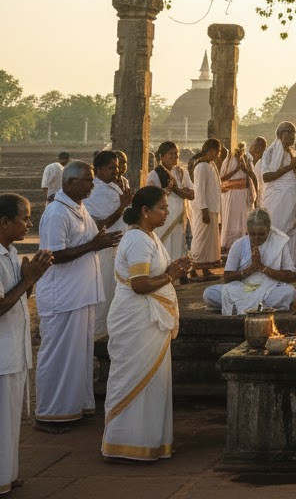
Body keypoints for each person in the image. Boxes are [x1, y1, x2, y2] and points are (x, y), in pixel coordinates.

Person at [102, 186, 190, 460]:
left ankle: (150, 442)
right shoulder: (138, 240)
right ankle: (125, 444)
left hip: (147, 319)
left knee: (153, 381)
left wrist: (172, 268)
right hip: (137, 317)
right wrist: (171, 275)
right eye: (162, 208)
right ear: (144, 211)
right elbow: (140, 285)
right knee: (135, 378)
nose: (167, 212)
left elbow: (151, 273)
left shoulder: (148, 236)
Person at [35, 161, 122, 430]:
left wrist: (102, 240)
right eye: (87, 180)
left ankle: (74, 407)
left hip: (80, 294)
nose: (92, 185)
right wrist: (94, 245)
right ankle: (50, 413)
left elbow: (90, 240)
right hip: (62, 296)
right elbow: (53, 255)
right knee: (59, 356)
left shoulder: (78, 208)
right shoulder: (56, 213)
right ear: (70, 183)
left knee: (78, 357)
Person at [0, 195, 54, 494]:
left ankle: (7, 473)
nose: (30, 224)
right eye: (25, 218)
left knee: (10, 419)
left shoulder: (9, 251)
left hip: (14, 348)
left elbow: (20, 297)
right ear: (4, 222)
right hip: (2, 351)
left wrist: (33, 279)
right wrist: (28, 279)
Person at [203, 208, 296, 313]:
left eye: (261, 234)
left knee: (289, 292)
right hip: (243, 287)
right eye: (253, 234)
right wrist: (251, 269)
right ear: (247, 230)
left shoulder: (279, 243)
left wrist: (262, 267)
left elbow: (290, 275)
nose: (257, 238)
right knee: (209, 293)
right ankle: (259, 307)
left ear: (269, 231)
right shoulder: (239, 244)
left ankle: (238, 306)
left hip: (269, 288)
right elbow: (227, 277)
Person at [83, 151, 130, 339]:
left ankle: (112, 328)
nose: (116, 171)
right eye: (112, 168)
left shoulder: (114, 186)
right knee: (104, 290)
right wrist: (122, 206)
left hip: (118, 246)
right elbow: (103, 224)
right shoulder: (94, 191)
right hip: (104, 249)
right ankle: (98, 332)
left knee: (116, 290)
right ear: (99, 169)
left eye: (117, 167)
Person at [260, 122, 296, 275]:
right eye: (288, 132)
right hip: (277, 197)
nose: (292, 136)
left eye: (294, 133)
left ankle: (291, 268)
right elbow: (266, 177)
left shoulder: (293, 152)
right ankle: (273, 267)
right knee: (277, 229)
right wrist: (291, 166)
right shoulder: (270, 152)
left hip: (293, 197)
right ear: (280, 134)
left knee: (293, 231)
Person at [146, 141, 194, 279]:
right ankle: (162, 276)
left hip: (179, 217)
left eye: (176, 154)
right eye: (171, 154)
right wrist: (173, 191)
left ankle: (178, 276)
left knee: (179, 245)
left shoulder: (181, 172)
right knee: (164, 244)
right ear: (162, 156)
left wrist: (177, 190)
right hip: (162, 218)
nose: (175, 156)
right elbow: (151, 198)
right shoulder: (155, 174)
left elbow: (192, 194)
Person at [190, 139, 222, 278]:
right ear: (211, 150)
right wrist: (204, 210)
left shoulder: (211, 165)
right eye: (218, 151)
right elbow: (199, 191)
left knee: (209, 242)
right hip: (205, 208)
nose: (218, 154)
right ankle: (194, 269)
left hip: (212, 207)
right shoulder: (201, 166)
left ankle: (205, 269)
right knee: (201, 239)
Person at [220, 141, 258, 251]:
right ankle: (229, 243)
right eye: (238, 150)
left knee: (243, 217)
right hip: (231, 194)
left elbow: (252, 175)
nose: (240, 152)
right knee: (231, 218)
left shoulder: (247, 160)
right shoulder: (227, 161)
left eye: (242, 150)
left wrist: (244, 169)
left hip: (244, 193)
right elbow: (222, 178)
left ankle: (243, 242)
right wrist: (236, 170)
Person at [248, 137, 267, 208]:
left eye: (261, 145)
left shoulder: (265, 162)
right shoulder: (246, 159)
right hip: (248, 194)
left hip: (261, 196)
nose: (258, 147)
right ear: (251, 146)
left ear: (264, 149)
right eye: (256, 144)